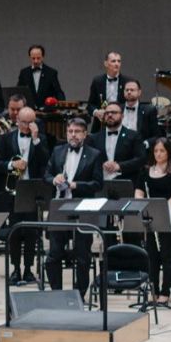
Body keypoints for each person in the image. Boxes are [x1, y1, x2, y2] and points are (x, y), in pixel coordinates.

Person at [44, 118, 103, 298]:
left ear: (85, 134)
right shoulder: (57, 151)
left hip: (83, 207)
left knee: (82, 255)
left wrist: (76, 185)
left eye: (77, 131)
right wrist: (54, 180)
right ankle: (57, 294)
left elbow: (98, 183)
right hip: (59, 206)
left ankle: (79, 294)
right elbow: (46, 174)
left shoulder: (94, 154)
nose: (73, 135)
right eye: (70, 131)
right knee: (54, 254)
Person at [0, 106, 49, 284]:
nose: (27, 125)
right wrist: (12, 164)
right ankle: (15, 269)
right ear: (17, 121)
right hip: (13, 190)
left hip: (32, 190)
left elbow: (46, 161)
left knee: (32, 232)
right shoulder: (6, 139)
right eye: (24, 122)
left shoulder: (41, 139)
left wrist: (36, 139)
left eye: (31, 122)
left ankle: (28, 269)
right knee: (15, 231)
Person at [134, 137, 171, 306]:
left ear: (168, 152)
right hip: (149, 219)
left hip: (169, 217)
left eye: (162, 150)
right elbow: (139, 192)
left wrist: (161, 211)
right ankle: (154, 290)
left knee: (166, 255)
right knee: (151, 255)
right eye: (156, 151)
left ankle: (165, 292)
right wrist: (142, 207)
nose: (158, 154)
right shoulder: (145, 170)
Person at [87, 102, 144, 186]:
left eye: (114, 112)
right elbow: (88, 160)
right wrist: (101, 164)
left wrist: (119, 166)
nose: (110, 115)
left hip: (126, 182)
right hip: (100, 183)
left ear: (122, 116)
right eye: (107, 113)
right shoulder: (94, 138)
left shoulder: (134, 136)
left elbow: (141, 159)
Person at [87, 51, 132, 123]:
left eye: (119, 61)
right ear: (106, 63)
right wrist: (97, 112)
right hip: (101, 123)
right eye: (113, 61)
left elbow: (132, 103)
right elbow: (90, 105)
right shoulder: (97, 81)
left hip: (122, 121)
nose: (117, 64)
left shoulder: (128, 82)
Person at [120, 80, 159, 145]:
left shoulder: (149, 110)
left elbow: (157, 135)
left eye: (132, 90)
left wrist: (145, 144)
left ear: (139, 92)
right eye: (127, 90)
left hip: (140, 147)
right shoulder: (118, 109)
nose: (129, 92)